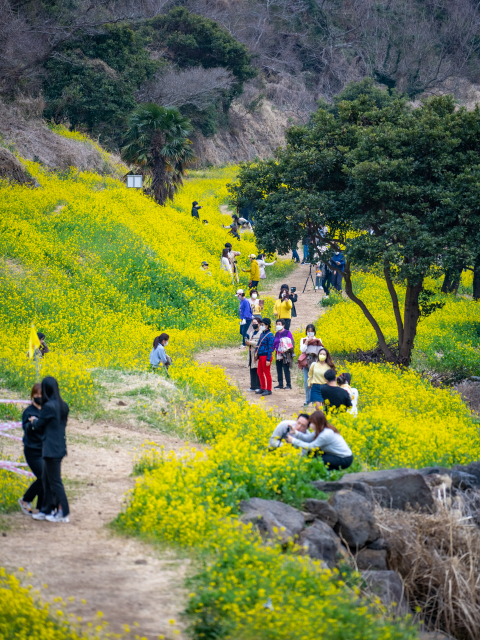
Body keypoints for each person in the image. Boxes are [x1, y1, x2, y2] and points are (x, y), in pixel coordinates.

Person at [29, 377, 70, 523]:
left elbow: (39, 425)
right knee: (46, 481)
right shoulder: (63, 405)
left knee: (55, 482)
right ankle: (46, 510)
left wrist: (33, 421)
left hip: (50, 449)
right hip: (59, 447)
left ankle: (64, 512)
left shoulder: (48, 407)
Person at [287, 410, 353, 470]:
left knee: (319, 460)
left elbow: (311, 447)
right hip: (337, 455)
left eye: (311, 422)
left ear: (316, 422)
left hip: (344, 458)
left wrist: (293, 440)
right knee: (312, 454)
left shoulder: (325, 434)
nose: (310, 425)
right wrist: (295, 432)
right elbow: (308, 438)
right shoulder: (320, 430)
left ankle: (328, 478)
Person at [18, 383, 44, 516]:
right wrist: (33, 424)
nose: (39, 397)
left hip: (46, 451)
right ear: (32, 395)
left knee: (46, 478)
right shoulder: (28, 412)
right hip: (32, 452)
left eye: (42, 394)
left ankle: (41, 508)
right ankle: (25, 500)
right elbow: (26, 427)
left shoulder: (46, 411)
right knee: (44, 477)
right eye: (36, 394)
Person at [299, 325, 324, 406]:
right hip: (306, 364)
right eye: (308, 331)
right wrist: (307, 342)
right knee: (307, 383)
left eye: (312, 331)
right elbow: (302, 350)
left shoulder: (318, 340)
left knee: (315, 383)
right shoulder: (303, 339)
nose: (310, 332)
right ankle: (307, 400)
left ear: (314, 331)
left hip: (316, 364)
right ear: (306, 331)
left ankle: (314, 400)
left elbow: (321, 351)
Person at [254, 317, 274, 396]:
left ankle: (268, 389)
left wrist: (268, 359)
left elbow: (270, 349)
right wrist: (256, 356)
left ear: (267, 325)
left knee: (267, 373)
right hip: (261, 356)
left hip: (266, 356)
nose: (261, 326)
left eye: (262, 325)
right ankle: (262, 388)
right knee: (259, 372)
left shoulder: (270, 335)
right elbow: (258, 345)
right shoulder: (262, 333)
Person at [273, 319, 294, 390]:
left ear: (283, 325)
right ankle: (280, 384)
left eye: (279, 324)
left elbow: (291, 342)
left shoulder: (287, 332)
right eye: (277, 324)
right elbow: (274, 343)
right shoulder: (276, 333)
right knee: (279, 369)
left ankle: (288, 384)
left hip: (285, 354)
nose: (278, 325)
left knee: (286, 369)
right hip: (278, 354)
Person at [245, 318, 262, 392]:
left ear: (259, 323)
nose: (253, 324)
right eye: (252, 323)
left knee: (257, 370)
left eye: (255, 323)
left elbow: (260, 343)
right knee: (252, 369)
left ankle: (259, 386)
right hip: (251, 353)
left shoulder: (261, 332)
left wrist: (251, 343)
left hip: (257, 354)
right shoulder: (252, 332)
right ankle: (253, 386)